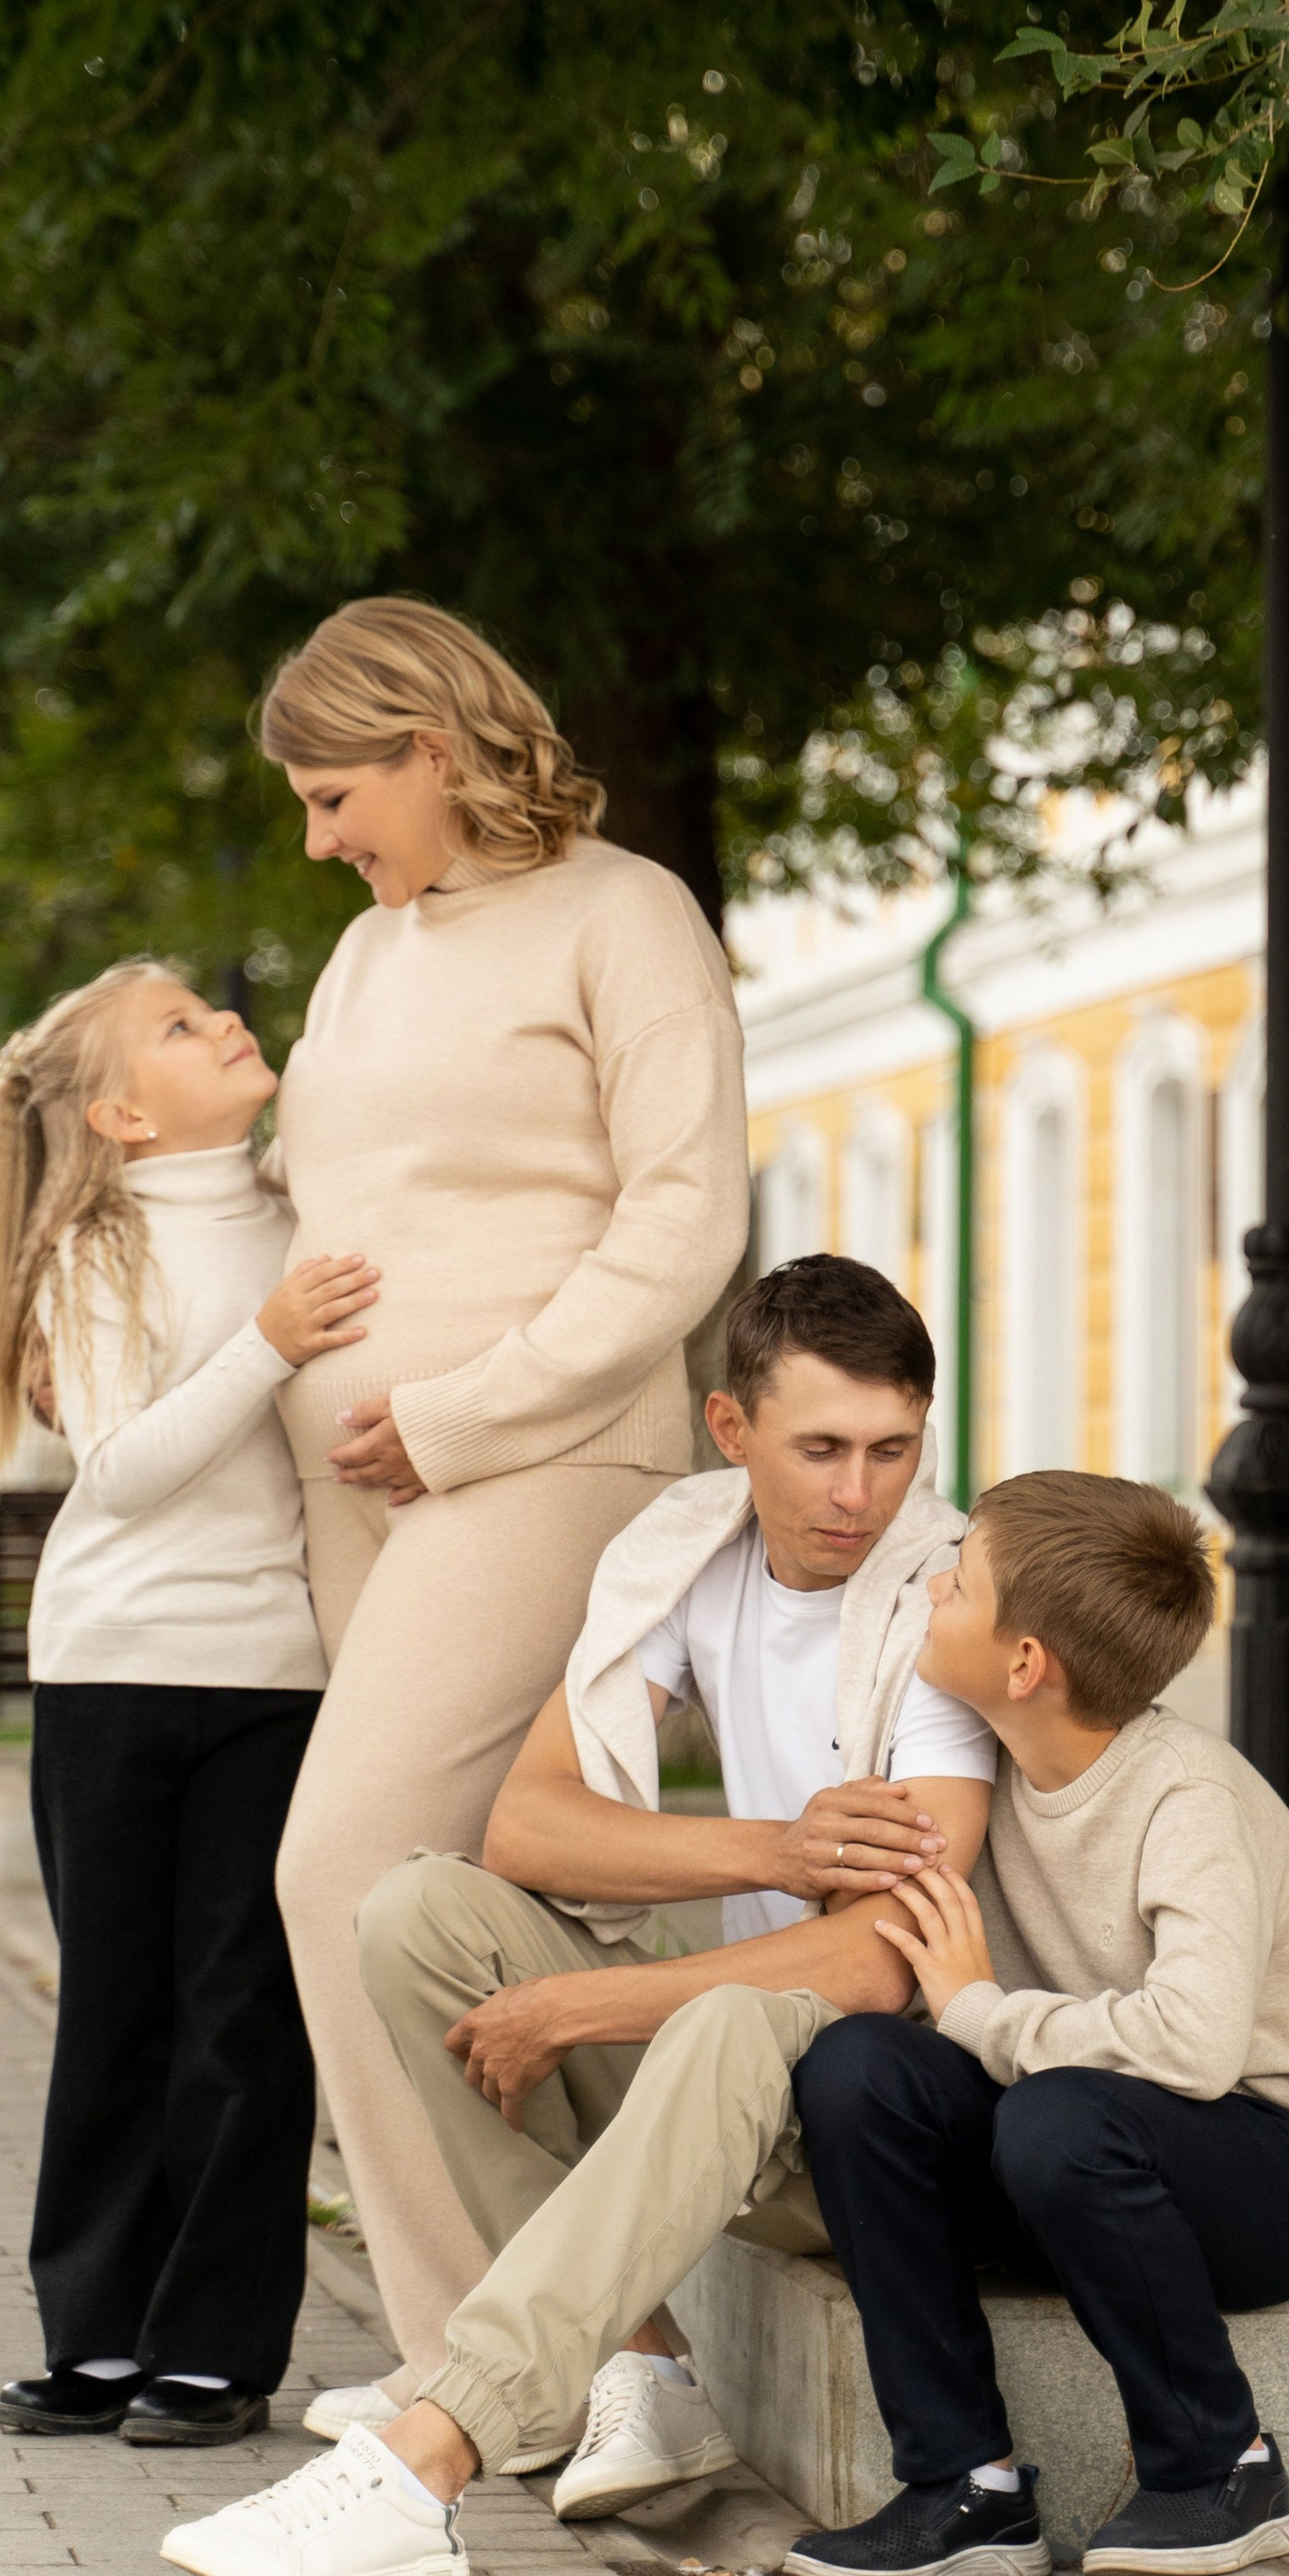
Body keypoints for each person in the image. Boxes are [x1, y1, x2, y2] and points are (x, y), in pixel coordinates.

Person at [159, 1255, 996, 2576]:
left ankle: (420, 2471)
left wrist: (585, 2007)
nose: (860, 1494)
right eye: (822, 1450)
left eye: (892, 1449)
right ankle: (644, 2369)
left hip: (881, 2121)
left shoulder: (942, 1607)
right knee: (417, 1913)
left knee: (723, 2022)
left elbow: (880, 1958)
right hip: (741, 2068)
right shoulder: (690, 1553)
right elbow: (530, 1830)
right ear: (730, 1430)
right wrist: (776, 1850)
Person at [255, 596, 750, 2429]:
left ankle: (487, 2365)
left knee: (333, 1867)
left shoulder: (627, 916)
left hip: (539, 1459)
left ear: (433, 748)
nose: (320, 843)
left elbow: (684, 1219)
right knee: (459, 1913)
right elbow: (323, 1197)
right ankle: (579, 2346)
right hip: (359, 1490)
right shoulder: (363, 955)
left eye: (335, 798)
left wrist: (457, 1414)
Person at [781, 1468, 1289, 2576]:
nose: (930, 1587)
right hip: (1070, 2148)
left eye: (958, 1581)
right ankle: (964, 2488)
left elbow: (1196, 2050)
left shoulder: (1187, 1799)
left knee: (1058, 2116)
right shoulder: (978, 1776)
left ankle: (1222, 2468)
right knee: (857, 2069)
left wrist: (979, 2012)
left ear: (1025, 1664)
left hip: (1274, 2171)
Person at [0, 959, 377, 2447]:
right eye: (180, 1028)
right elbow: (123, 1466)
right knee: (116, 2017)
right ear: (124, 1115)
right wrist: (271, 1338)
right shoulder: (99, 1247)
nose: (223, 1021)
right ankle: (95, 2337)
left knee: (243, 2019)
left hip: (273, 1674)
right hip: (112, 1667)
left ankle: (213, 2348)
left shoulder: (302, 1203)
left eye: (208, 1005)